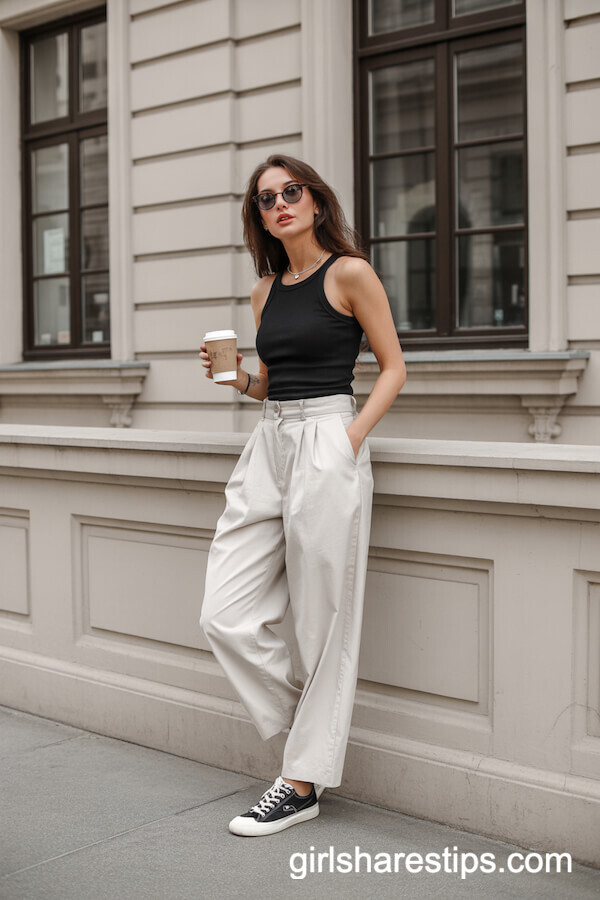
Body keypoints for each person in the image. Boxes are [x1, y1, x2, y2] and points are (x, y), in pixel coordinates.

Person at [199, 154, 406, 837]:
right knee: (223, 613)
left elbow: (394, 368)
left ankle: (300, 780)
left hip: (326, 437)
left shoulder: (349, 273)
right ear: (257, 217)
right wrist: (236, 380)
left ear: (317, 203)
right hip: (269, 441)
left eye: (292, 192)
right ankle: (310, 731)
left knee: (323, 621)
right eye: (266, 199)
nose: (280, 204)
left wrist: (348, 441)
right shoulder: (265, 292)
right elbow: (269, 382)